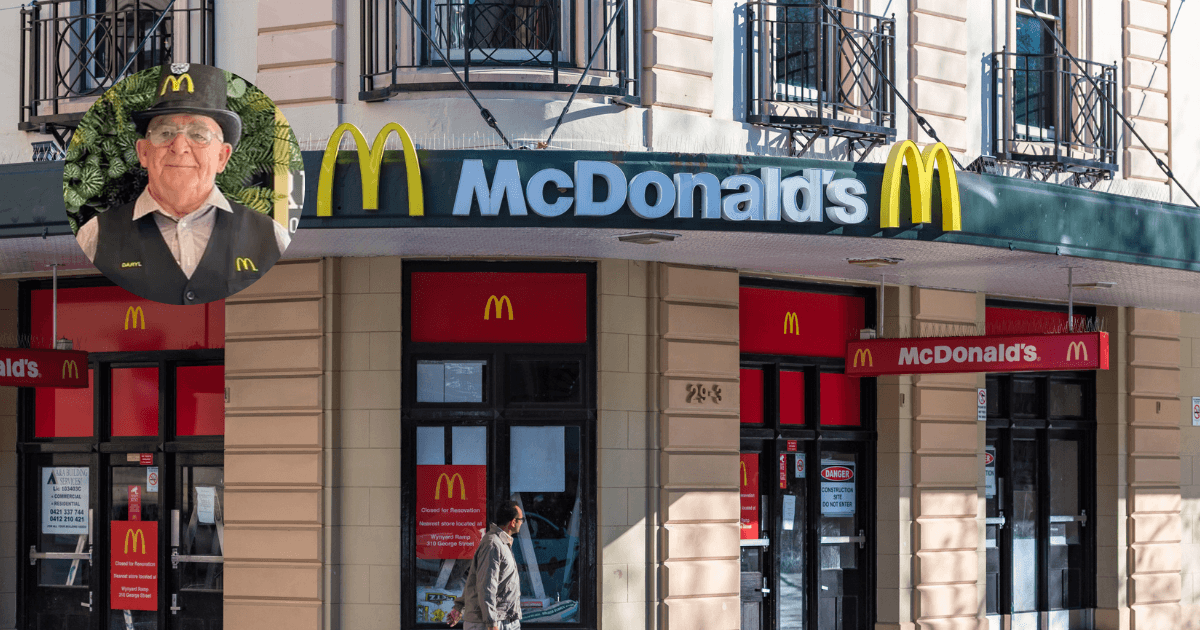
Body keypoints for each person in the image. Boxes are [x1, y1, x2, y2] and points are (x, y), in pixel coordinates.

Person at [76, 63, 290, 305]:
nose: (179, 147)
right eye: (165, 133)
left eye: (198, 135)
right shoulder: (95, 236)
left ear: (222, 156)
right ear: (144, 152)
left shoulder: (270, 237)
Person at [447, 501, 525, 630]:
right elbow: (487, 585)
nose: (522, 522)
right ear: (513, 522)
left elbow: (475, 578)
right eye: (521, 519)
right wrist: (491, 623)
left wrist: (459, 606)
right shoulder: (493, 545)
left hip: (505, 619)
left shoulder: (502, 543)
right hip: (492, 622)